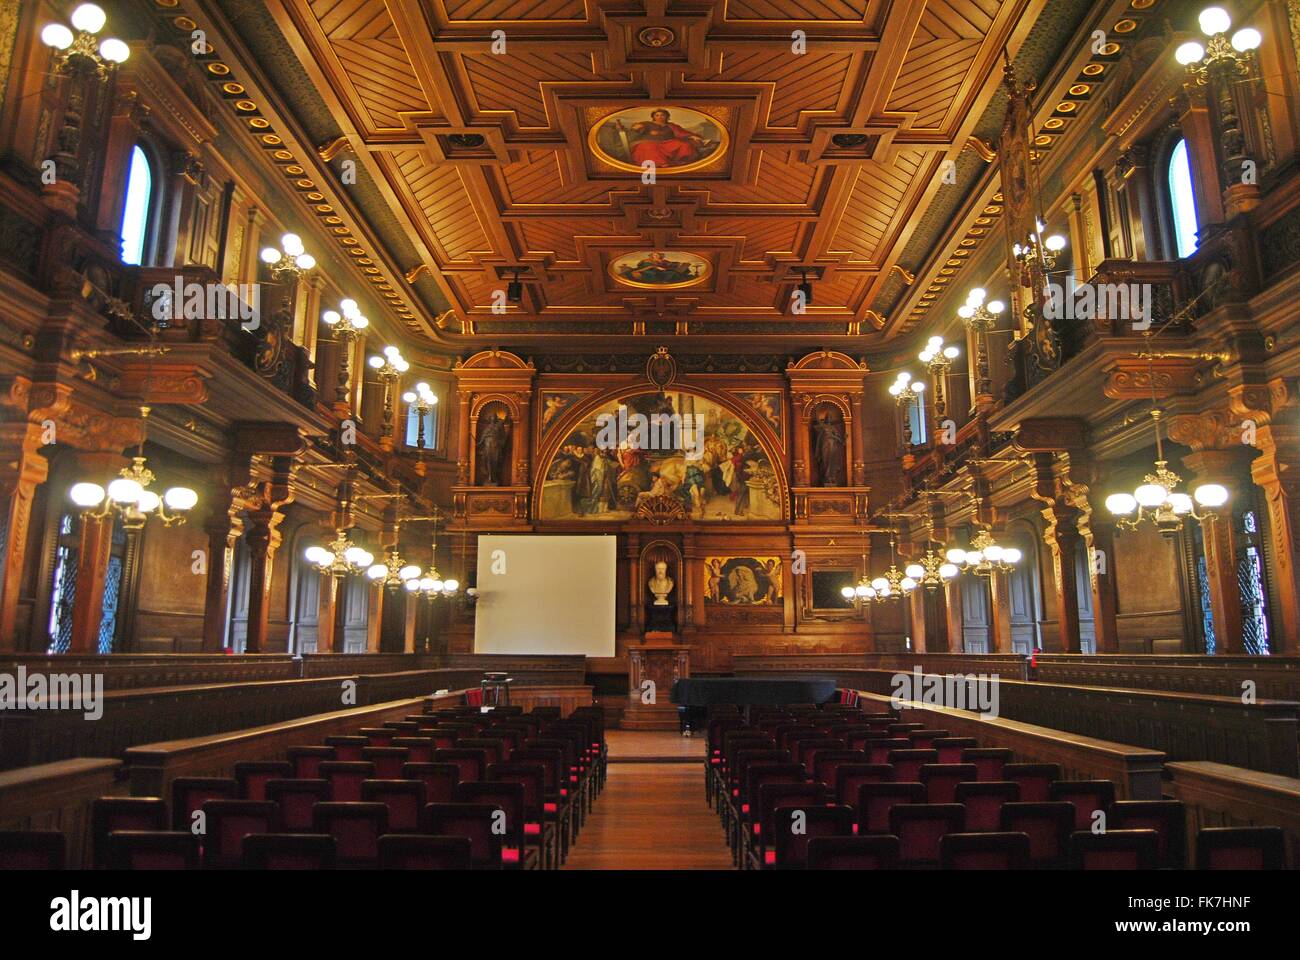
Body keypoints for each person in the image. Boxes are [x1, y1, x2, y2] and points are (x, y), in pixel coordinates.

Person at [624, 109, 711, 167]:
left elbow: (681, 133)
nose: (659, 117)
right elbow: (636, 128)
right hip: (649, 141)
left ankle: (681, 163)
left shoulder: (671, 125)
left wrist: (692, 136)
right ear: (653, 117)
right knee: (649, 147)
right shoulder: (647, 123)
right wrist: (637, 126)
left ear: (667, 117)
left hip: (668, 142)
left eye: (662, 115)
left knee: (683, 145)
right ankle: (661, 164)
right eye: (657, 115)